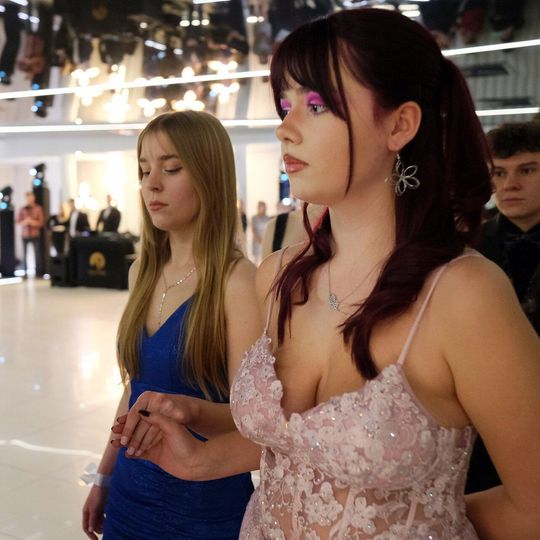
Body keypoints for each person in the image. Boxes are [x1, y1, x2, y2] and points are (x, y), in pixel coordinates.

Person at [113, 8, 540, 539]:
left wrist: (412, 526)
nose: (285, 128)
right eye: (285, 105)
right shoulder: (279, 278)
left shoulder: (463, 295)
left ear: (399, 124)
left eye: (315, 106)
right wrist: (200, 455)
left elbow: (533, 505)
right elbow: (294, 447)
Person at [82, 111, 260, 539]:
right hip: (129, 492)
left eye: (172, 168)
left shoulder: (237, 281)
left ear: (209, 176)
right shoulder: (142, 272)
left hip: (202, 504)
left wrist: (188, 410)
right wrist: (104, 475)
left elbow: (253, 420)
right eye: (144, 171)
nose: (152, 184)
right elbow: (135, 388)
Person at [466, 121, 540, 495]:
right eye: (499, 172)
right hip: (481, 426)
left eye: (527, 170)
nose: (510, 184)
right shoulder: (465, 248)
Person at [16, 190, 44, 276]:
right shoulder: (22, 209)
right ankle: (25, 272)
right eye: (28, 198)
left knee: (37, 254)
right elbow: (18, 221)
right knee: (24, 254)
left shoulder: (38, 208)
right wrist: (25, 221)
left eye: (31, 198)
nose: (29, 200)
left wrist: (32, 222)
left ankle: (38, 272)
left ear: (33, 198)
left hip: (35, 234)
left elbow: (41, 223)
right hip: (25, 235)